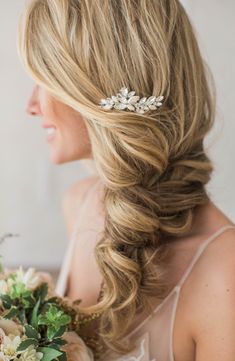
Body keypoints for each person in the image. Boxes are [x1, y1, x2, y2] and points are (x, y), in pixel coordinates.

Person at [17, 0, 235, 360]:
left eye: (45, 80)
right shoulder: (79, 203)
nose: (31, 104)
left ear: (99, 85)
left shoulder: (225, 273)